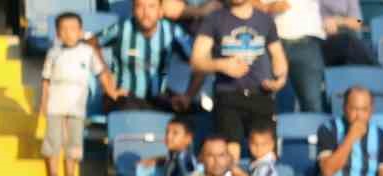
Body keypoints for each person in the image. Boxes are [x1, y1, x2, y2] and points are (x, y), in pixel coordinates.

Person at [189, 0, 288, 155]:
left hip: (260, 94)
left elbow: (278, 55)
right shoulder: (214, 19)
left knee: (265, 155)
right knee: (230, 154)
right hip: (228, 95)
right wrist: (222, 65)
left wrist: (280, 79)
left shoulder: (265, 19)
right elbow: (196, 61)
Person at [39, 11, 103, 176]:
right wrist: (43, 102)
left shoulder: (88, 52)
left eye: (73, 29)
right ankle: (52, 175)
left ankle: (70, 175)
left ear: (81, 31)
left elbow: (101, 72)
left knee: (74, 140)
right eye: (64, 29)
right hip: (55, 102)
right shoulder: (53, 53)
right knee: (53, 139)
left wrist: (111, 90)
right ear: (58, 33)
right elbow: (46, 79)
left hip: (77, 103)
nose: (68, 33)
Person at [93, 0, 193, 111]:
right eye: (140, 7)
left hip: (158, 99)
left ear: (160, 11)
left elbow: (198, 60)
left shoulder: (173, 32)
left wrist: (188, 95)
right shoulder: (121, 29)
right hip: (124, 98)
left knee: (188, 115)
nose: (146, 13)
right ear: (133, 10)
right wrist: (106, 80)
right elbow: (91, 43)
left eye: (151, 6)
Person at [266, 0, 329, 117]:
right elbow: (250, 4)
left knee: (311, 102)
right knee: (272, 102)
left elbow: (358, 21)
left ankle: (315, 135)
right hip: (272, 43)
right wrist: (268, 7)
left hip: (307, 42)